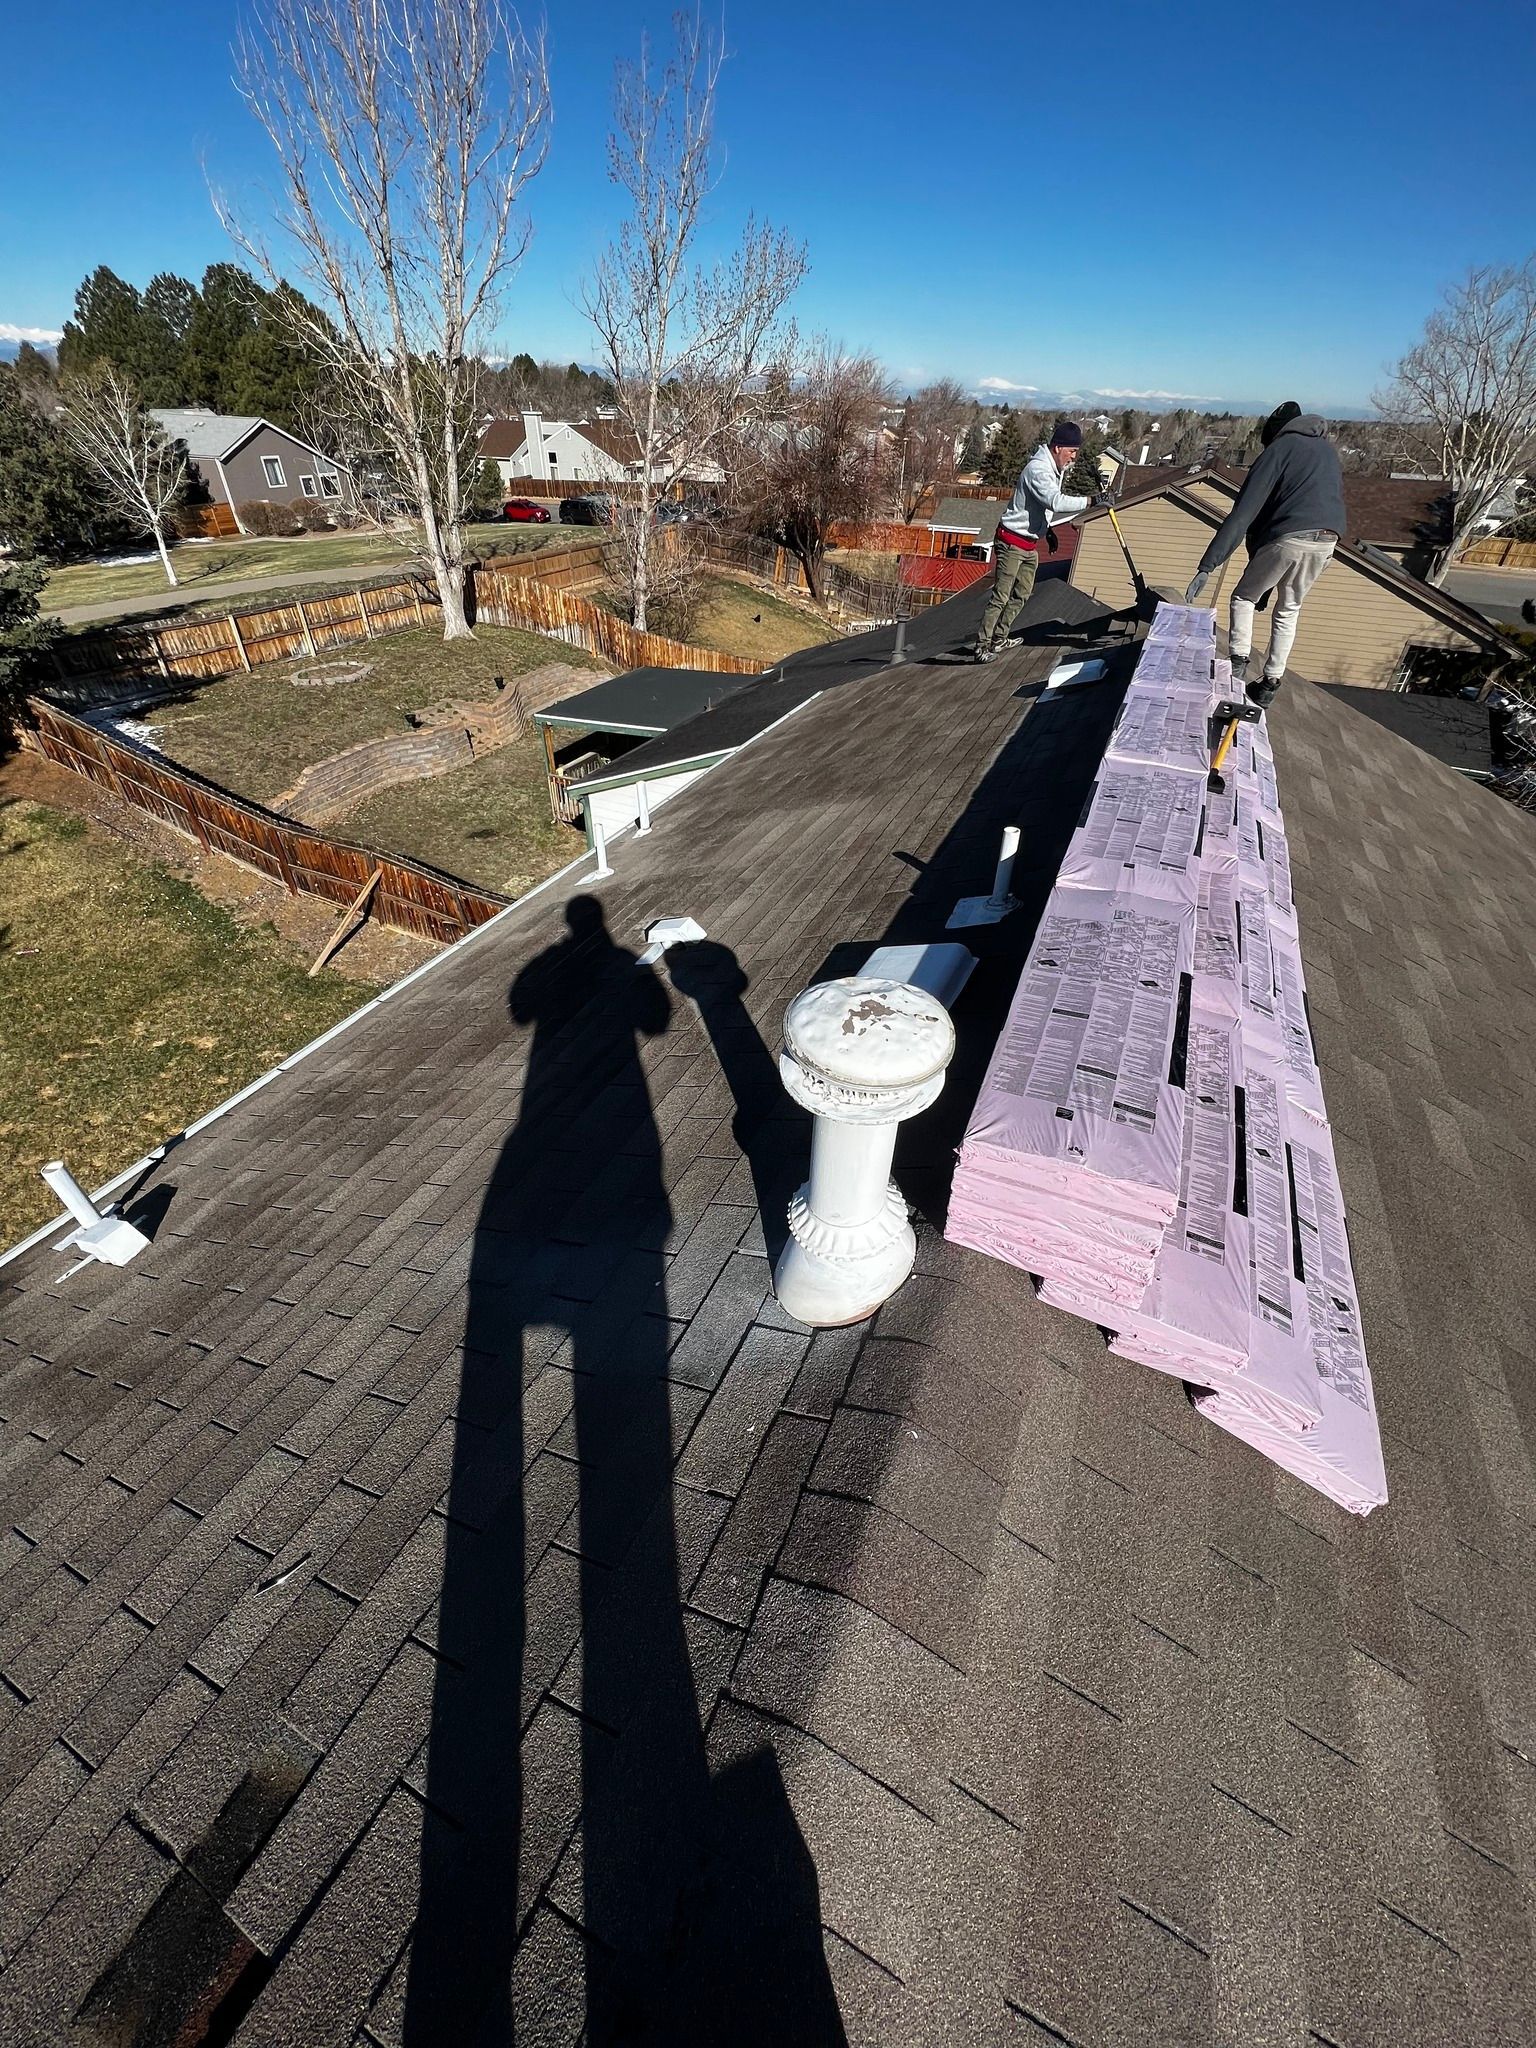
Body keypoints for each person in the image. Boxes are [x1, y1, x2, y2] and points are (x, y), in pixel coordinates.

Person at [1185, 403, 1347, 708]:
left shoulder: (1279, 450)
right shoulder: (1326, 452)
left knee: (1243, 598)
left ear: (1274, 431)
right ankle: (1271, 682)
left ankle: (1237, 663)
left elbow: (1243, 515)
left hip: (1290, 535)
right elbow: (1269, 526)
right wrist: (1266, 581)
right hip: (1328, 540)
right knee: (1289, 608)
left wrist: (1207, 566)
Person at [972, 420, 1099, 661]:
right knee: (1001, 595)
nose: (1073, 458)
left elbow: (1039, 506)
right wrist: (1091, 501)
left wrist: (1046, 529)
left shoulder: (1053, 469)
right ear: (1058, 448)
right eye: (1072, 452)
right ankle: (982, 646)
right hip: (1012, 542)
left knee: (1022, 593)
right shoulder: (1038, 470)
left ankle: (999, 638)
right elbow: (1055, 501)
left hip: (1028, 544)